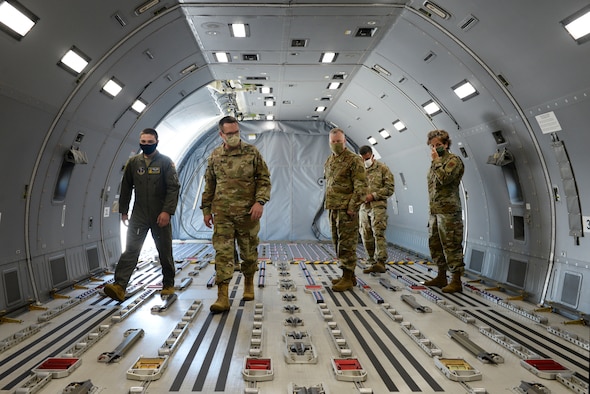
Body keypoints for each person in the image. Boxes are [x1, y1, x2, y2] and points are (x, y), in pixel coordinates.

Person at [201, 116, 271, 313]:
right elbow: (209, 185)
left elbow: (264, 179)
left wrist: (260, 201)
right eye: (229, 133)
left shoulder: (251, 153)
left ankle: (248, 283)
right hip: (222, 214)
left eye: (236, 132)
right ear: (221, 134)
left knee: (248, 252)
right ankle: (222, 296)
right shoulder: (214, 156)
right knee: (223, 254)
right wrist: (206, 210)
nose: (233, 136)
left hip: (247, 214)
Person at [104, 128, 180, 301]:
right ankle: (119, 286)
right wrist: (124, 211)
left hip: (160, 213)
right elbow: (126, 187)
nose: (146, 145)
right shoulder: (134, 163)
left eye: (149, 142)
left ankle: (168, 284)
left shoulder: (166, 163)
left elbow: (173, 189)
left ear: (157, 142)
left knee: (164, 250)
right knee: (131, 249)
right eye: (143, 142)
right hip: (139, 214)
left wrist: (167, 211)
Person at [324, 128, 367, 292]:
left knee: (347, 244)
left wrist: (352, 207)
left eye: (339, 142)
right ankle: (348, 275)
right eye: (333, 142)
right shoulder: (330, 161)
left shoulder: (354, 160)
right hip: (333, 208)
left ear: (345, 142)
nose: (335, 145)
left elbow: (361, 187)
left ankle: (348, 277)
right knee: (337, 242)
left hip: (346, 209)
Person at [423, 129, 465, 293]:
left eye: (438, 145)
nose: (435, 148)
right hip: (435, 211)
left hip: (449, 212)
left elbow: (445, 179)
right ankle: (441, 276)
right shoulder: (437, 162)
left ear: (446, 144)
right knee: (436, 245)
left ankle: (456, 280)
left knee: (451, 245)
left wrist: (436, 162)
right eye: (432, 146)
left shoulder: (453, 161)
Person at [358, 145, 395, 274]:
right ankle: (371, 261)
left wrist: (373, 196)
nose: (365, 161)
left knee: (378, 233)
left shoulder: (383, 169)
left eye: (367, 158)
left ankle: (380, 262)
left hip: (377, 207)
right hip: (363, 208)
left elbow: (390, 188)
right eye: (363, 159)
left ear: (372, 155)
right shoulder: (359, 170)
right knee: (365, 234)